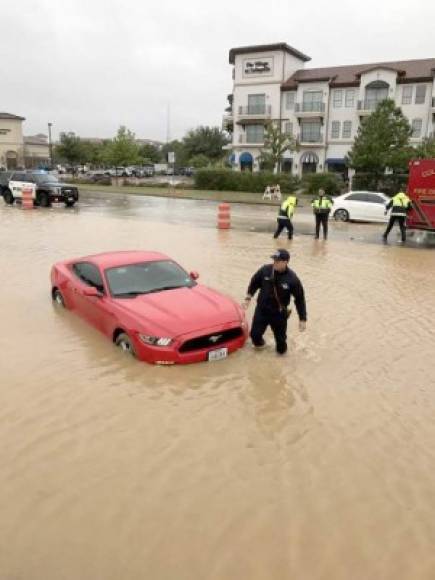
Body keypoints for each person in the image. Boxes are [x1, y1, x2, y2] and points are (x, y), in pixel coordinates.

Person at [243, 249, 307, 355]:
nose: (275, 263)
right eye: (274, 260)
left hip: (279, 314)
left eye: (278, 261)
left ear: (285, 262)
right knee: (255, 336)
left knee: (281, 346)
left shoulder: (292, 279)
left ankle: (281, 363)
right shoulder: (265, 270)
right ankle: (262, 348)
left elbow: (300, 299)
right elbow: (254, 283)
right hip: (262, 311)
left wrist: (302, 319)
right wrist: (248, 298)